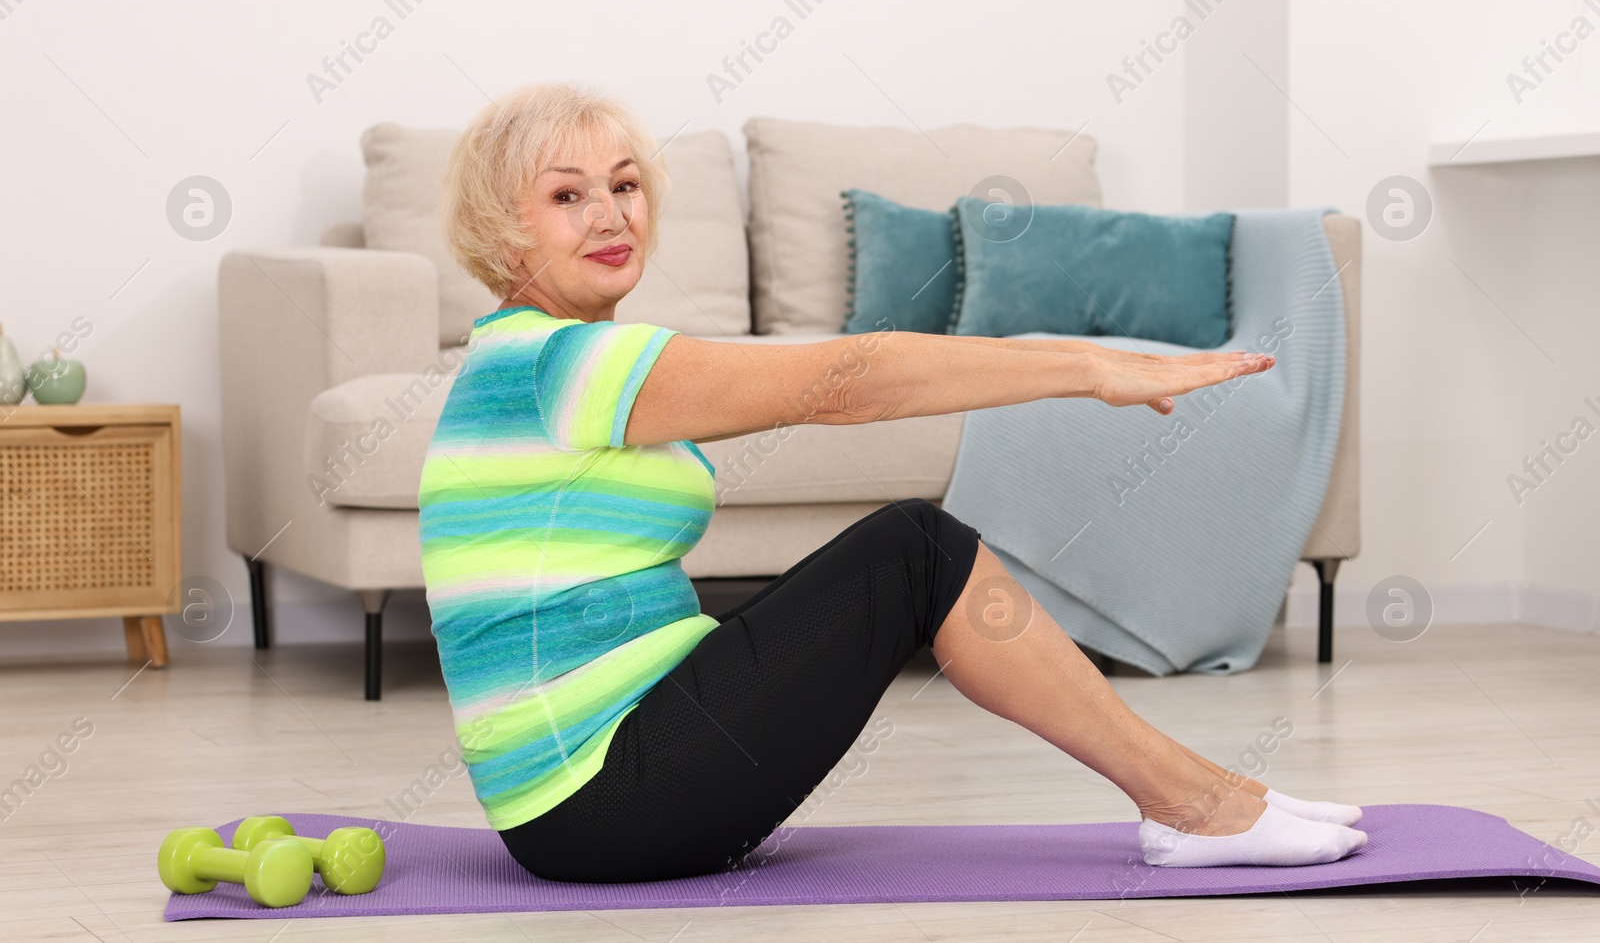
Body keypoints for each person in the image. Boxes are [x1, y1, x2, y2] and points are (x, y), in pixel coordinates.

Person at [418, 82, 1367, 884]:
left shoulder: (535, 360)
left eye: (625, 186)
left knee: (900, 555)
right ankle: (1190, 802)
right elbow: (851, 382)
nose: (611, 213)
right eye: (568, 195)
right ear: (503, 234)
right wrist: (1089, 367)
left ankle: (1212, 790)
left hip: (607, 782)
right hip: (601, 799)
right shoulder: (562, 365)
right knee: (914, 550)